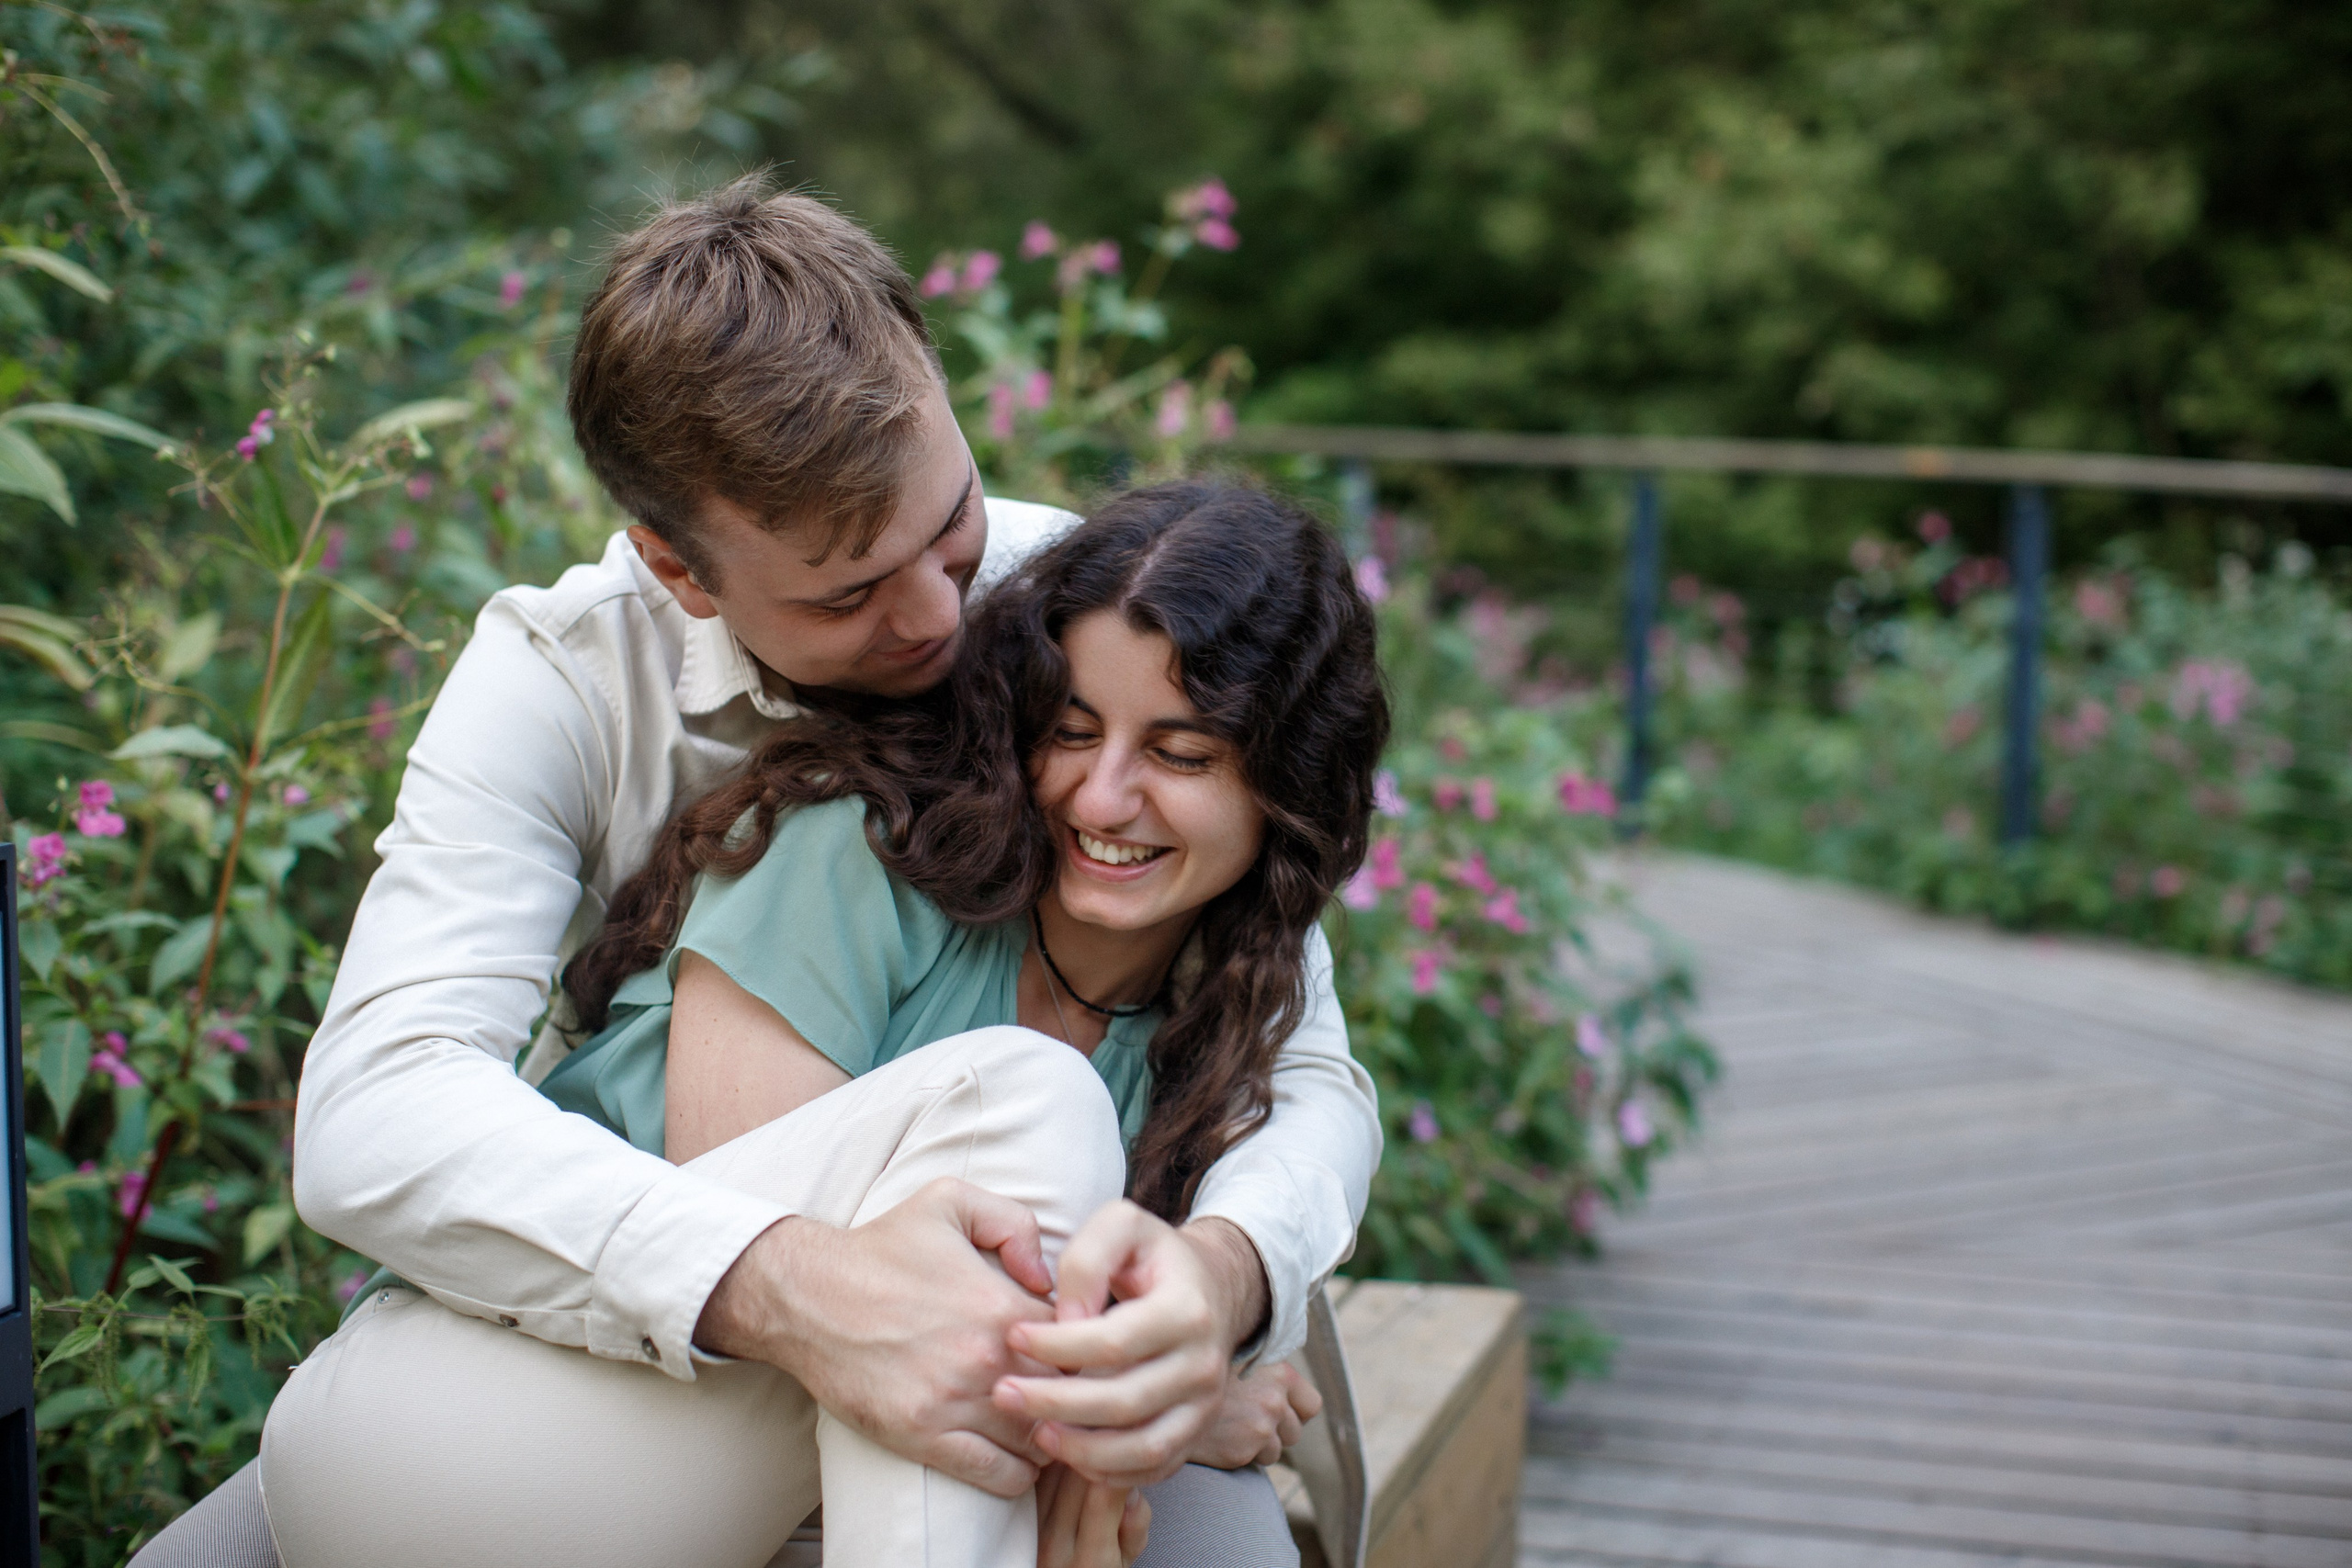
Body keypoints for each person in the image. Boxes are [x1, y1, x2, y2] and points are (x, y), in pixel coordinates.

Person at [131, 181, 1380, 1566]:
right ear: (680, 567)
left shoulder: (1060, 602)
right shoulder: (563, 682)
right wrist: (799, 1285)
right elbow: (378, 1117)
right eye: (848, 593)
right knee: (1024, 1106)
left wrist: (1219, 1281)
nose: (939, 613)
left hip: (887, 1384)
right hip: (594, 1374)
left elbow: (1302, 1060)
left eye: (949, 522)